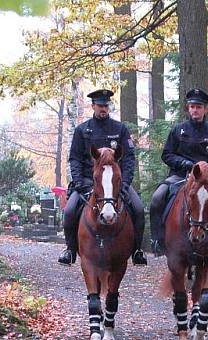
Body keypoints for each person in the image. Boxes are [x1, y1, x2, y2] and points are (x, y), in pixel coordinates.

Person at [58, 89, 147, 266]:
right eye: (100, 106)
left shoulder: (120, 129)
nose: (103, 109)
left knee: (138, 209)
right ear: (93, 106)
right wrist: (79, 183)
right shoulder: (82, 130)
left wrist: (125, 183)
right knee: (69, 212)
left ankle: (137, 250)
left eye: (106, 106)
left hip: (115, 183)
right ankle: (70, 250)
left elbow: (129, 158)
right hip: (87, 182)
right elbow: (74, 159)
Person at [150, 88, 208, 260]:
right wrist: (185, 164)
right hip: (180, 176)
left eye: (198, 107)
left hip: (207, 180)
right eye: (192, 107)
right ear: (188, 109)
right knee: (157, 198)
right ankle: (158, 240)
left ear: (205, 109)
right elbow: (167, 154)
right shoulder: (177, 130)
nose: (195, 110)